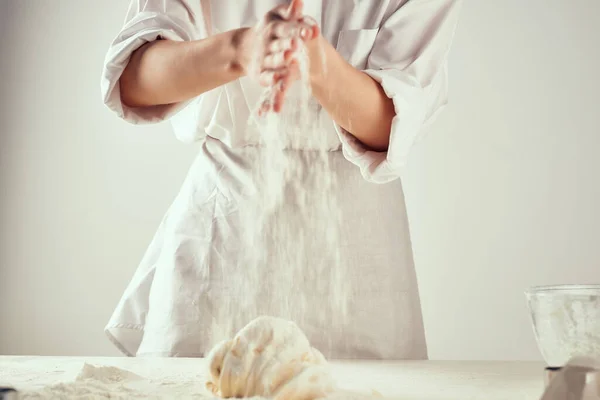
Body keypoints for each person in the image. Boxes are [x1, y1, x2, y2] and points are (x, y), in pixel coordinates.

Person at [100, 0, 462, 359]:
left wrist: (318, 65)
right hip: (224, 227)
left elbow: (388, 127)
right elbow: (133, 81)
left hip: (355, 250)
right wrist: (240, 50)